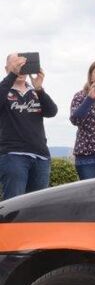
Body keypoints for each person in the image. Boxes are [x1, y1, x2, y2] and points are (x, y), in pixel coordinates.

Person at [0, 53, 58, 200]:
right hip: (13, 155)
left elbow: (52, 112)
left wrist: (39, 89)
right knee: (14, 204)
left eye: (22, 64)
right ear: (6, 68)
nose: (20, 67)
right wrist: (12, 75)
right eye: (16, 64)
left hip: (40, 156)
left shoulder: (34, 92)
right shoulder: (4, 90)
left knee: (37, 207)